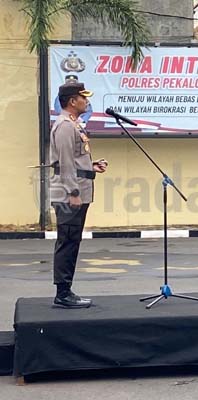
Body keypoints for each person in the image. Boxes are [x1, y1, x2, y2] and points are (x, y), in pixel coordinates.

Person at [50, 81, 108, 308]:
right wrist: (73, 192)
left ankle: (66, 290)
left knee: (73, 240)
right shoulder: (65, 125)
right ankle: (63, 293)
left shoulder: (73, 124)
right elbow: (64, 163)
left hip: (77, 190)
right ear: (73, 101)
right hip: (69, 195)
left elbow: (73, 159)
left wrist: (90, 166)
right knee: (68, 241)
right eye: (84, 97)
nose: (87, 101)